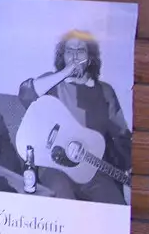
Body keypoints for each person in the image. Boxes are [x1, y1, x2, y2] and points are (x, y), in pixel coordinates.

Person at [17, 30, 132, 205]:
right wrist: (65, 73)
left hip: (92, 169)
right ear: (62, 56)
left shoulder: (105, 91)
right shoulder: (53, 83)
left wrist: (129, 165)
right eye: (69, 51)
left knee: (114, 205)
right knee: (64, 203)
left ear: (91, 57)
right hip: (55, 168)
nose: (75, 57)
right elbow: (25, 94)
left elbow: (121, 133)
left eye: (81, 51)